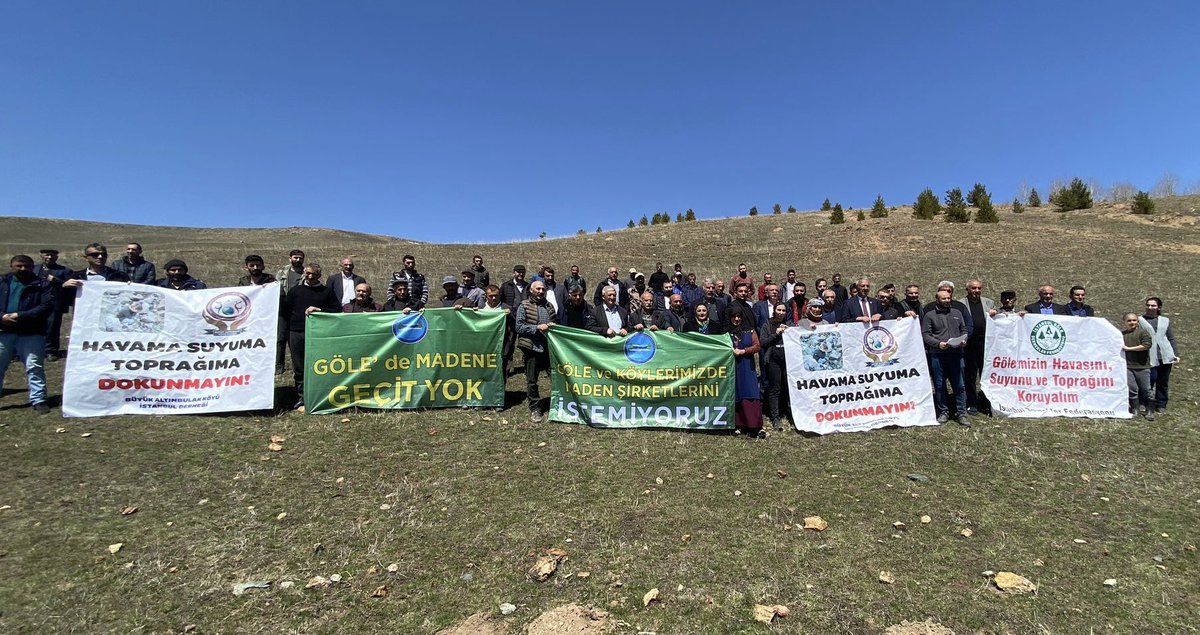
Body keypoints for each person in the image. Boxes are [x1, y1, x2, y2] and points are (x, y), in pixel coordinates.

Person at [281, 264, 342, 410]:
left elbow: (336, 310)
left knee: (320, 366)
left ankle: (320, 394)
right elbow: (285, 310)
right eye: (307, 273)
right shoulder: (295, 291)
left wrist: (319, 310)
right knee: (299, 366)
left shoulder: (327, 292)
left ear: (319, 276)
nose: (310, 277)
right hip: (296, 332)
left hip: (319, 334)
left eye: (313, 274)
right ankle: (302, 397)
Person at [1, 255, 55, 414]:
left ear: (33, 267)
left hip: (32, 332)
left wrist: (20, 316)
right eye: (19, 266)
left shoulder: (42, 284)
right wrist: (2, 317)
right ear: (11, 265)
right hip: (4, 331)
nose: (23, 269)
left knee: (34, 367)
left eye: (28, 266)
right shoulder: (2, 282)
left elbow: (46, 306)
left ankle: (38, 399)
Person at [922, 289, 971, 427]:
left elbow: (964, 330)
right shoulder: (929, 315)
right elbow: (925, 334)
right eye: (943, 299)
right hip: (938, 355)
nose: (947, 301)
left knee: (960, 385)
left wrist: (964, 340)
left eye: (948, 298)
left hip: (957, 354)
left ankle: (961, 413)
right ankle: (943, 412)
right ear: (937, 300)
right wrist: (938, 344)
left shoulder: (957, 313)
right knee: (939, 385)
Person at [515, 280, 557, 422]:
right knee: (532, 380)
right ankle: (535, 408)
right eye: (538, 289)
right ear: (531, 290)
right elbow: (519, 327)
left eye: (543, 289)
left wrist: (553, 326)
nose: (540, 291)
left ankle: (557, 404)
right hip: (531, 348)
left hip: (547, 349)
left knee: (555, 378)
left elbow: (555, 325)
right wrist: (537, 328)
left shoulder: (549, 306)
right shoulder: (524, 306)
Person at [726, 308, 763, 438]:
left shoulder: (750, 331)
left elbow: (757, 346)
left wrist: (744, 351)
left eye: (739, 317)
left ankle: (755, 425)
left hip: (747, 366)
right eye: (734, 317)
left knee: (750, 392)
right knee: (736, 393)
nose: (736, 319)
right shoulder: (726, 334)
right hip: (732, 367)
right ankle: (739, 425)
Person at [1140, 297, 1179, 414]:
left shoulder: (1165, 320)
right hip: (1149, 356)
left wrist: (1176, 353)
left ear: (1159, 308)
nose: (1150, 308)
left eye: (1153, 306)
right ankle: (1143, 402)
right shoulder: (1140, 320)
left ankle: (1161, 404)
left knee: (1163, 382)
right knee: (1149, 380)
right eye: (1148, 305)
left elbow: (1170, 338)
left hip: (1165, 355)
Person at [963, 280, 995, 416]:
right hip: (968, 344)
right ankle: (971, 403)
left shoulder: (989, 302)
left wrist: (996, 313)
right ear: (967, 289)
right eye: (973, 288)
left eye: (979, 288)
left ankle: (987, 402)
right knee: (970, 375)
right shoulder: (961, 304)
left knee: (986, 374)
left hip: (985, 344)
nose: (976, 290)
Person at [33, 249, 71, 360]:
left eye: (52, 255)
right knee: (34, 327)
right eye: (47, 255)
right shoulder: (34, 269)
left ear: (56, 257)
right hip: (36, 303)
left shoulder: (64, 271)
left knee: (52, 328)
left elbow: (69, 286)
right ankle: (34, 350)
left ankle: (51, 351)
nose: (49, 257)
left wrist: (55, 280)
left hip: (54, 304)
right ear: (41, 256)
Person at [758, 303, 790, 431]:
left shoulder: (790, 324)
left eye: (783, 310)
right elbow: (763, 342)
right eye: (779, 310)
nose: (781, 312)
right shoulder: (767, 324)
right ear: (774, 311)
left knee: (788, 387)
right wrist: (776, 334)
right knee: (774, 388)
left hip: (788, 361)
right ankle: (775, 417)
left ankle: (789, 413)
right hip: (773, 361)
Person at [275, 249, 306, 374]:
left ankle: (298, 365)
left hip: (299, 311)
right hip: (283, 310)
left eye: (300, 258)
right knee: (280, 338)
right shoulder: (281, 273)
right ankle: (278, 366)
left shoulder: (306, 273)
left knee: (297, 340)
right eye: (295, 257)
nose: (298, 260)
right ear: (290, 258)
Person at [477, 284, 515, 379]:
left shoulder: (506, 308)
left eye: (496, 295)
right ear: (486, 296)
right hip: (484, 346)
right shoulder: (480, 308)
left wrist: (510, 316)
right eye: (491, 296)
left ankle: (501, 393)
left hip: (501, 345)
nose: (494, 298)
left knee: (501, 372)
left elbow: (515, 327)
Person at [1121, 313, 1154, 420]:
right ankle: (1135, 408)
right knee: (1132, 389)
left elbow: (1146, 345)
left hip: (1143, 367)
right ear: (1125, 322)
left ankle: (1150, 410)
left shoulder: (1143, 333)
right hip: (1128, 367)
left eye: (1134, 320)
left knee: (1146, 389)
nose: (1132, 323)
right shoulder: (1122, 335)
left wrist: (1129, 349)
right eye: (1129, 321)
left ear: (1137, 321)